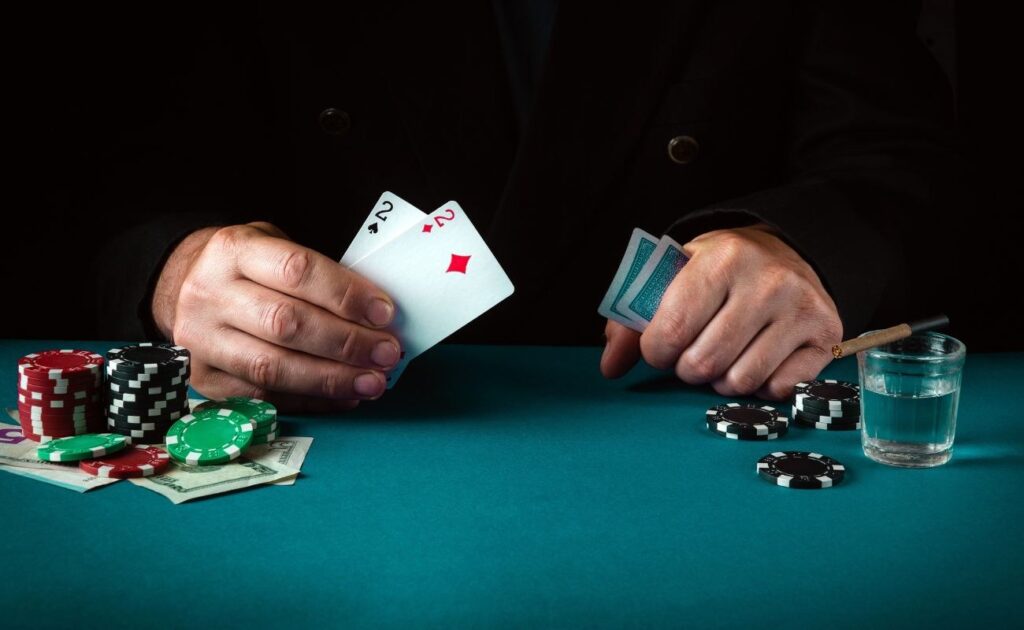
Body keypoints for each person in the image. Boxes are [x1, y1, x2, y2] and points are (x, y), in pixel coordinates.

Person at [79, 3, 962, 412]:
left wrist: (803, 244)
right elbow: (92, 180)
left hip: (673, 425)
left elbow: (899, 154)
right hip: (350, 438)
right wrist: (174, 270)